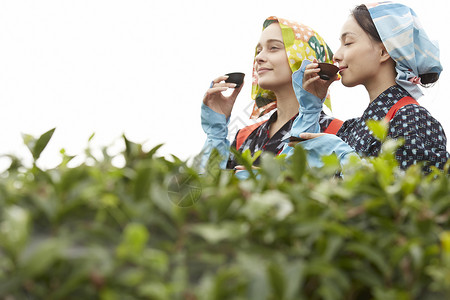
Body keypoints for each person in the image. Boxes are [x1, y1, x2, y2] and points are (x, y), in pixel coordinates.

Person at [282, 2, 449, 173]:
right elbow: (289, 178)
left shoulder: (413, 119)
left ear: (384, 52)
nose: (336, 55)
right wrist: (310, 110)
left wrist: (346, 159)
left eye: (348, 43)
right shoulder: (352, 128)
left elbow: (412, 195)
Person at [199, 16, 337, 173]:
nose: (258, 58)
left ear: (303, 58)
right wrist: (216, 132)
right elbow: (207, 191)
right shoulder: (244, 136)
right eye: (259, 50)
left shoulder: (335, 131)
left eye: (273, 48)